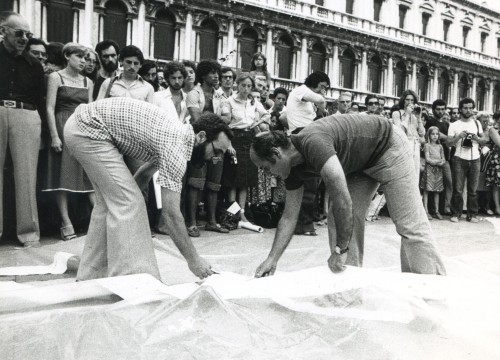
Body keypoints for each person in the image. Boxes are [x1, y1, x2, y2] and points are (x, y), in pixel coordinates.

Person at [250, 115, 447, 277]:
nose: (267, 175)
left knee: (409, 224)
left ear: (276, 153)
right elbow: (289, 216)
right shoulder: (290, 168)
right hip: (358, 163)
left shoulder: (313, 143)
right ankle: (348, 287)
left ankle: (433, 291)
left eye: (265, 168)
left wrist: (340, 250)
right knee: (338, 218)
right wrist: (272, 259)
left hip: (388, 146)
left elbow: (342, 200)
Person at [64, 97, 234, 281]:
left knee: (111, 204)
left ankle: (91, 276)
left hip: (81, 125)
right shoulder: (176, 147)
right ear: (201, 137)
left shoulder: (175, 135)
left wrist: (127, 195)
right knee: (129, 203)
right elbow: (171, 215)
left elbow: (143, 177)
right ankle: (133, 281)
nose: (215, 159)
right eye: (216, 151)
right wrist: (194, 260)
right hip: (88, 130)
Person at [0, 11, 46, 248]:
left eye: (28, 34)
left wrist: (44, 134)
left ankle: (28, 233)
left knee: (27, 175)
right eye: (19, 33)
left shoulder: (35, 64)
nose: (24, 38)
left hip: (27, 114)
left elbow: (41, 99)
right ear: (3, 31)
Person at [43, 43, 95, 240]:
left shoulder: (87, 82)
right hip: (61, 126)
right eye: (79, 56)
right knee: (61, 176)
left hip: (80, 129)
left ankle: (99, 221)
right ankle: (66, 223)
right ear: (67, 56)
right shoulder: (56, 77)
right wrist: (54, 136)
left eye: (86, 58)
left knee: (87, 176)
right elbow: (49, 108)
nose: (83, 61)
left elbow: (89, 110)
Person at [282, 71, 329, 236]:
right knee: (309, 182)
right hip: (305, 136)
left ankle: (299, 224)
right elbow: (322, 100)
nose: (322, 91)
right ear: (315, 82)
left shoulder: (300, 96)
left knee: (301, 182)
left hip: (299, 135)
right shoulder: (301, 91)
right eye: (322, 87)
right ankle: (305, 225)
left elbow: (282, 116)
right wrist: (323, 111)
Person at [185, 59, 228, 236]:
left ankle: (211, 221)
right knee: (195, 183)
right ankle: (192, 223)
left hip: (217, 145)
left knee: (214, 183)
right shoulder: (193, 93)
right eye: (211, 72)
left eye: (216, 72)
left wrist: (211, 120)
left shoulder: (220, 95)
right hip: (200, 145)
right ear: (203, 75)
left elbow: (228, 118)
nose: (216, 75)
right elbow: (197, 120)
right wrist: (217, 122)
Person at [221, 73, 270, 222]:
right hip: (235, 139)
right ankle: (232, 214)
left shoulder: (254, 102)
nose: (246, 89)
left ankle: (241, 214)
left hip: (249, 139)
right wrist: (228, 143)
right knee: (233, 180)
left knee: (245, 180)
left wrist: (256, 122)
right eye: (243, 85)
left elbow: (267, 115)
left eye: (249, 86)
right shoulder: (229, 101)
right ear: (237, 85)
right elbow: (225, 124)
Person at [447, 98, 485, 223]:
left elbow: (484, 140)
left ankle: (472, 214)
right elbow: (448, 143)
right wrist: (459, 136)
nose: (468, 110)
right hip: (459, 158)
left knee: (473, 189)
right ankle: (456, 213)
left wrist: (476, 138)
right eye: (465, 108)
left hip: (475, 158)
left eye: (470, 108)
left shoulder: (477, 123)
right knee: (458, 189)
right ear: (460, 109)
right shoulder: (454, 125)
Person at [425, 99, 452, 215]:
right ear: (433, 110)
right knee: (430, 185)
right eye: (438, 109)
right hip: (431, 160)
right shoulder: (430, 121)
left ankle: (444, 207)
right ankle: (432, 209)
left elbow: (449, 140)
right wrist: (450, 138)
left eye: (442, 109)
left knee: (448, 182)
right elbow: (441, 136)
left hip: (444, 159)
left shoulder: (446, 124)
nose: (440, 112)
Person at [392, 90, 425, 177]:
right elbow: (400, 131)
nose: (410, 102)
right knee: (404, 173)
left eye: (412, 100)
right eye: (407, 100)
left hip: (415, 145)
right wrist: (407, 114)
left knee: (415, 174)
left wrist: (419, 118)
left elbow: (422, 133)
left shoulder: (415, 115)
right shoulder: (397, 113)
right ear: (403, 100)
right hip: (404, 145)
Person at [421, 126, 445, 220]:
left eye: (436, 134)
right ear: (429, 135)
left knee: (437, 191)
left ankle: (436, 210)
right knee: (427, 190)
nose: (435, 136)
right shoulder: (427, 145)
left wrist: (441, 162)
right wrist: (436, 162)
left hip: (438, 170)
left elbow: (443, 158)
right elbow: (427, 158)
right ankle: (426, 210)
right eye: (432, 134)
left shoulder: (440, 146)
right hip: (430, 169)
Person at [485, 111, 500, 215]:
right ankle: (497, 207)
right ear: (497, 119)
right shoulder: (493, 129)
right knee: (496, 184)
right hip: (497, 158)